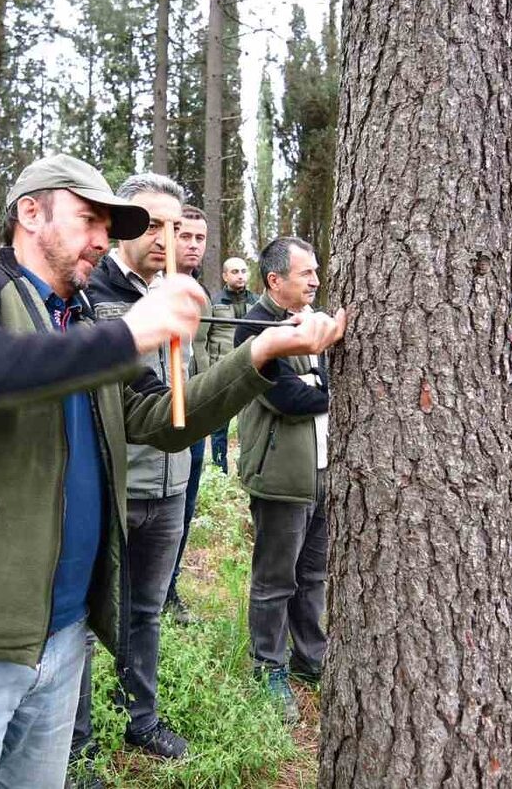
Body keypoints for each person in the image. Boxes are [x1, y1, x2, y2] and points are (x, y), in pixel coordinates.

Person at [0, 154, 345, 789]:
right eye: (89, 219)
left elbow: (160, 418)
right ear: (30, 212)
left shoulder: (84, 320)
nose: (102, 238)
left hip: (64, 633)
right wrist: (133, 332)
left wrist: (260, 352)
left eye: (108, 226)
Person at [75, 174, 192, 762]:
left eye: (173, 225)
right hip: (110, 481)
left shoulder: (179, 290)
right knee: (84, 616)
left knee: (146, 608)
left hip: (170, 482)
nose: (162, 237)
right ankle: (76, 743)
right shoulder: (91, 291)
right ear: (123, 225)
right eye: (149, 223)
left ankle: (138, 718)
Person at [233, 236, 331, 725]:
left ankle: (311, 658)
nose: (315, 280)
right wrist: (323, 388)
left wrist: (320, 385)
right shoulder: (252, 325)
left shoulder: (317, 323)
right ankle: (268, 668)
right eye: (305, 273)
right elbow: (288, 398)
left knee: (313, 575)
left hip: (322, 474)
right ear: (276, 280)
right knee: (275, 579)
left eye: (315, 272)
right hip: (280, 474)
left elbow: (325, 386)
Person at [166, 205, 210, 625]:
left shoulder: (202, 294)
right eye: (186, 236)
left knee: (186, 503)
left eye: (200, 238)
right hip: (155, 415)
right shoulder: (151, 291)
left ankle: (169, 587)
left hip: (196, 417)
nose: (193, 245)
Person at [207, 256, 259, 471]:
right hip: (222, 371)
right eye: (235, 271)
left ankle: (247, 468)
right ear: (225, 276)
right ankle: (220, 469)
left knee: (251, 424)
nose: (240, 275)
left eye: (244, 271)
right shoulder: (214, 302)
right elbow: (204, 337)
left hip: (251, 370)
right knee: (219, 426)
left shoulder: (257, 302)